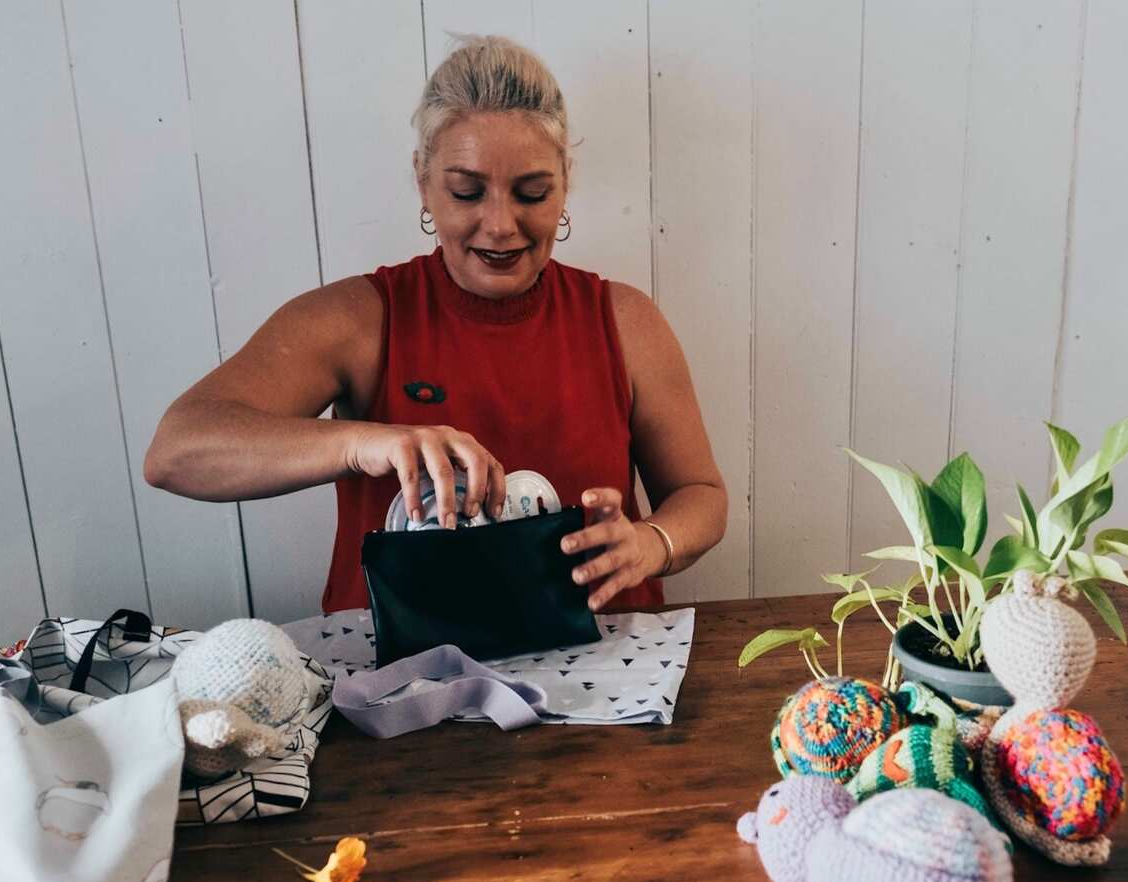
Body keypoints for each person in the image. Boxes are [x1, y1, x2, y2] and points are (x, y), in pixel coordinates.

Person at [144, 35, 726, 613]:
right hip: (404, 687)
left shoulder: (624, 321)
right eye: (466, 191)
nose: (500, 224)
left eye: (532, 192)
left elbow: (701, 495)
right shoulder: (360, 318)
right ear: (424, 182)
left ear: (565, 184)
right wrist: (362, 443)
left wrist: (653, 543)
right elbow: (178, 450)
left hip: (609, 672)